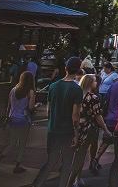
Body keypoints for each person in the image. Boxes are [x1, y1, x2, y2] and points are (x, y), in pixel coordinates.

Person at [32, 56, 84, 187]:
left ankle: (37, 184)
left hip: (53, 129)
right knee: (67, 163)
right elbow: (75, 115)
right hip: (67, 131)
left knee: (51, 161)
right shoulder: (77, 90)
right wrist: (76, 134)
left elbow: (48, 110)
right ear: (78, 70)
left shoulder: (53, 86)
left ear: (65, 68)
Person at [68, 73, 108, 187]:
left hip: (75, 126)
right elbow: (98, 116)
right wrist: (105, 129)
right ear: (90, 83)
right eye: (95, 81)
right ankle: (72, 181)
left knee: (78, 153)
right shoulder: (93, 97)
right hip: (88, 128)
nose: (96, 83)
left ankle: (77, 178)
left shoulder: (76, 95)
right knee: (81, 155)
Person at [0, 70, 35, 175]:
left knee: (12, 143)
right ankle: (17, 165)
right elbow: (30, 108)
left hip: (12, 119)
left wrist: (7, 118)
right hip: (23, 120)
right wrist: (35, 106)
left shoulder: (13, 89)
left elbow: (9, 106)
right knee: (22, 144)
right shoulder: (30, 92)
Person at [94, 63, 118, 173]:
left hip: (110, 116)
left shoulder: (114, 85)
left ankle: (96, 159)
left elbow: (106, 98)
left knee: (107, 140)